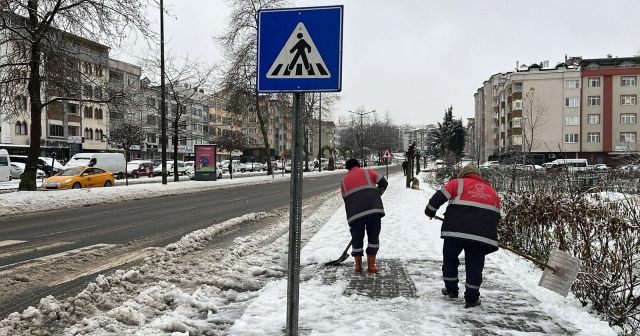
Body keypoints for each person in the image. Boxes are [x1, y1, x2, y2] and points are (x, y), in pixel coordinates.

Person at [424, 164, 500, 308]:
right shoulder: (492, 192)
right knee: (474, 266)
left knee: (450, 259)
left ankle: (451, 290)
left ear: (463, 174)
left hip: (455, 231)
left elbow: (438, 197)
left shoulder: (457, 183)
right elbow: (496, 218)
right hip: (479, 235)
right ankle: (471, 299)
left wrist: (430, 212)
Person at [340, 158, 388, 274]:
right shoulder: (368, 172)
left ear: (348, 169)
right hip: (373, 209)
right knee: (373, 237)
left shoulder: (343, 182)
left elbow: (346, 198)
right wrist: (377, 193)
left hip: (355, 214)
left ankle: (358, 267)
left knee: (357, 238)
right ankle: (371, 266)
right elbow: (384, 182)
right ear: (359, 165)